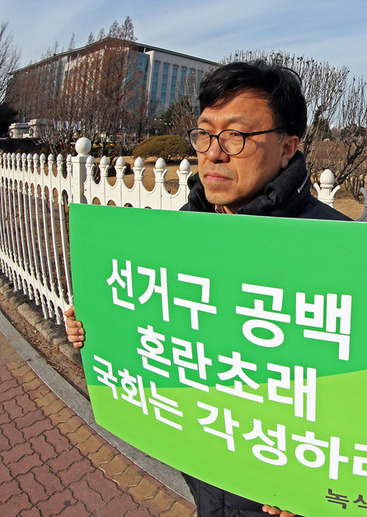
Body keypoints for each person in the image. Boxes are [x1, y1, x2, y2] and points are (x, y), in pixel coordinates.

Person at [65, 60, 349, 517]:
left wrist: (319, 490)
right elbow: (156, 335)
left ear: (287, 147)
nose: (214, 153)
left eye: (237, 136)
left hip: (282, 482)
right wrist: (96, 326)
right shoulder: (178, 238)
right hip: (204, 468)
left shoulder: (342, 250)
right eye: (204, 134)